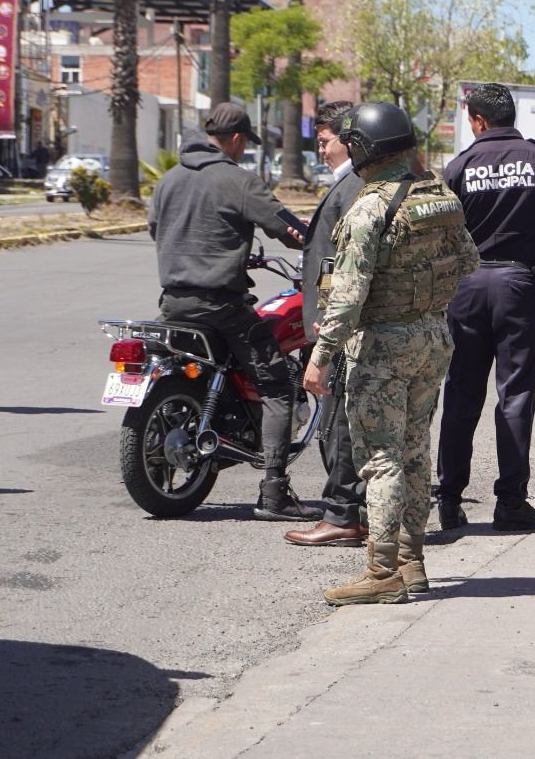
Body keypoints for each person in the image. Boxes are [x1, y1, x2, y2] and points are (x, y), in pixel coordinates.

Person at [304, 102, 479, 605]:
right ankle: (412, 561)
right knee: (416, 451)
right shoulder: (437, 196)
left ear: (363, 149)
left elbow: (349, 293)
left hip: (382, 345)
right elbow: (468, 259)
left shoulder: (369, 207)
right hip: (432, 337)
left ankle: (382, 571)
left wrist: (321, 356)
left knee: (380, 459)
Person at [147, 102, 315, 522]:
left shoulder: (167, 181)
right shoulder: (238, 181)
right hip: (222, 305)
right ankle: (274, 492)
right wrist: (320, 240)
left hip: (172, 303)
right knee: (277, 386)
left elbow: (157, 229)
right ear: (237, 139)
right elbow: (288, 229)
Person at [434, 84, 535, 534]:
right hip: (517, 285)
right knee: (515, 397)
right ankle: (511, 503)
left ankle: (448, 500)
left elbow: (435, 234)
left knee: (461, 395)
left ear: (477, 121)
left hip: (466, 288)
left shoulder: (458, 166)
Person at [284, 101, 368, 547]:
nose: (322, 151)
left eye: (326, 142)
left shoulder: (354, 186)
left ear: (350, 140)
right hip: (346, 324)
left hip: (340, 328)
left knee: (339, 421)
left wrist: (324, 329)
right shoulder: (352, 184)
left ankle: (342, 515)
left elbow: (340, 265)